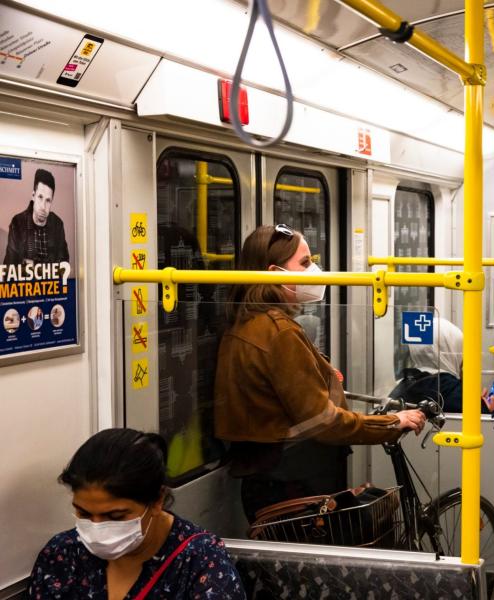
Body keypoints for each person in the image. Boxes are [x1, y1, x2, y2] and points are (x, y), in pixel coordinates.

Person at [214, 224, 425, 523]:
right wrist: (392, 422)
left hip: (266, 477)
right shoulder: (280, 332)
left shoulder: (246, 323)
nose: (315, 270)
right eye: (304, 264)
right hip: (295, 483)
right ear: (275, 275)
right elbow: (323, 422)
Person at [389, 317, 494, 600]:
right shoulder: (452, 389)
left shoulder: (401, 387)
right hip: (480, 474)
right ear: (448, 349)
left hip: (432, 477)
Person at [28, 428, 245, 599]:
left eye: (115, 517)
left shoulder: (201, 562)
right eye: (84, 514)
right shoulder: (63, 555)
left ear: (157, 500)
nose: (96, 527)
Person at [4, 168, 70, 265]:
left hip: (52, 280)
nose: (43, 207)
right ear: (33, 195)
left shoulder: (57, 224)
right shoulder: (17, 223)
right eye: (40, 197)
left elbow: (64, 265)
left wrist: (33, 264)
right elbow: (10, 268)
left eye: (48, 200)